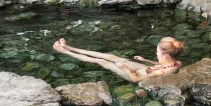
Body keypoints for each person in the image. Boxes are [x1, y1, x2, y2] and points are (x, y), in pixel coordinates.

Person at [51, 35, 184, 83]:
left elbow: (135, 79)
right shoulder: (177, 63)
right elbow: (163, 65)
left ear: (165, 55)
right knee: (111, 56)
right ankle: (70, 47)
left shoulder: (160, 73)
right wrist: (145, 60)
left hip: (134, 74)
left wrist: (124, 67)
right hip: (145, 68)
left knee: (102, 61)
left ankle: (64, 51)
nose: (156, 54)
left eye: (157, 52)